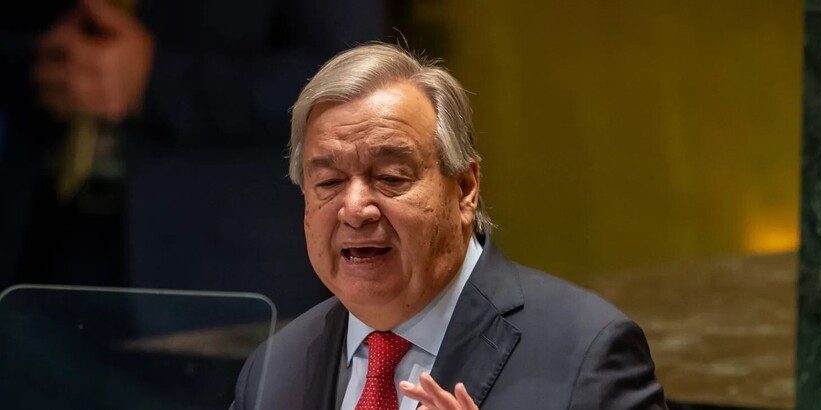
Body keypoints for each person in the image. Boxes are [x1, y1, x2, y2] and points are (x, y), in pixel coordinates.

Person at [231, 43, 667, 410]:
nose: (356, 209)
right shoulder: (273, 371)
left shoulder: (587, 355)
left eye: (391, 177)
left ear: (465, 189)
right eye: (329, 182)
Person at [0, 0, 385, 317]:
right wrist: (43, 59)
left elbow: (345, 74)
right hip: (39, 235)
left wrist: (157, 78)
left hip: (218, 263)